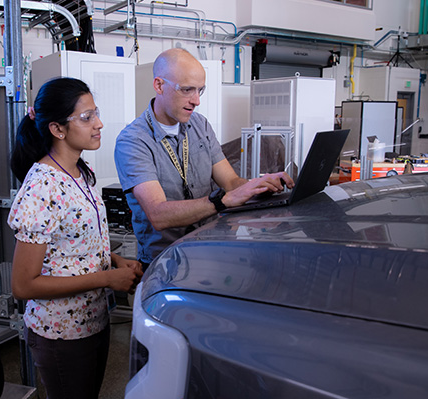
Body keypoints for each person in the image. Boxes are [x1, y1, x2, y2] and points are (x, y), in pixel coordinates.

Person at [8, 77, 143, 399]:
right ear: (57, 129)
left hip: (93, 321)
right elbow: (24, 285)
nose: (98, 124)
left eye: (95, 113)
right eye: (86, 118)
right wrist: (108, 279)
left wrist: (112, 260)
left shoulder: (79, 172)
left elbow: (71, 245)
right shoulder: (42, 186)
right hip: (61, 333)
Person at [114, 48, 294, 268]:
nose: (196, 101)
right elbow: (158, 214)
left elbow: (230, 182)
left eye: (200, 90)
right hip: (168, 261)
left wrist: (256, 186)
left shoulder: (200, 125)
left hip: (212, 247)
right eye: (187, 90)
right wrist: (221, 201)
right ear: (159, 85)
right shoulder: (133, 141)